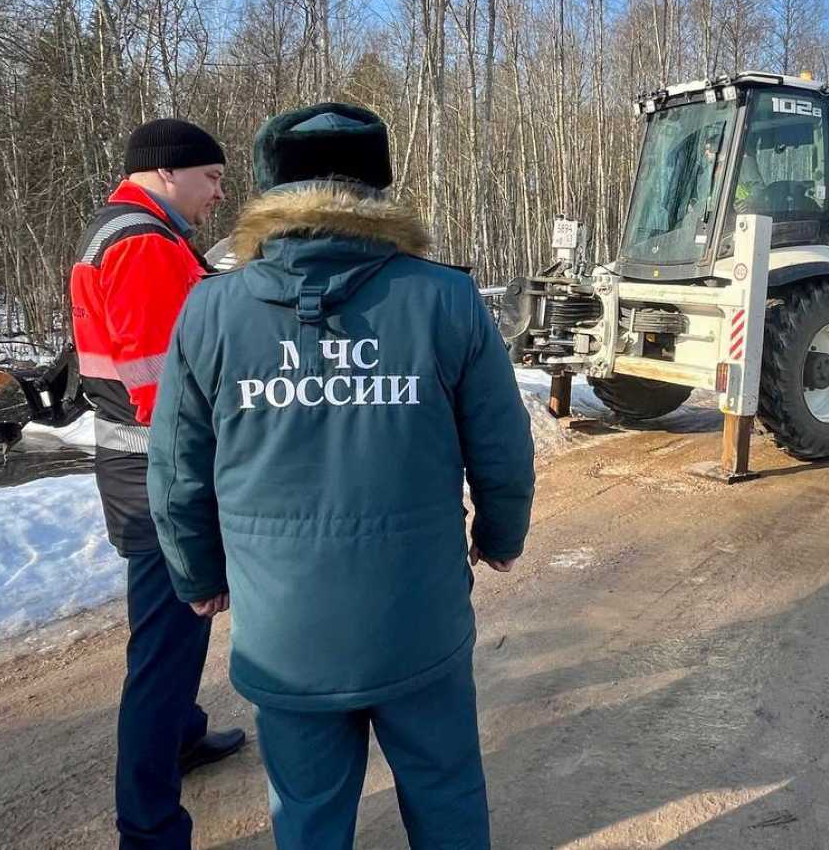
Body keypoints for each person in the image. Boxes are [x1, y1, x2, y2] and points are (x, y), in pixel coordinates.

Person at [147, 103, 536, 849]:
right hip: (418, 619)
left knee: (308, 812)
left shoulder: (212, 308)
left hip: (284, 631)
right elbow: (502, 445)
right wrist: (500, 535)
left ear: (269, 191)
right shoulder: (445, 298)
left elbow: (176, 469)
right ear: (379, 191)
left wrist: (197, 574)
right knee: (445, 790)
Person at [69, 117, 246, 849]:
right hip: (158, 477)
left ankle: (185, 735)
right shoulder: (143, 245)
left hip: (140, 467)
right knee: (163, 652)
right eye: (211, 178)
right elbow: (163, 388)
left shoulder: (124, 230)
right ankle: (148, 829)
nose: (219, 194)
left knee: (175, 633)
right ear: (170, 172)